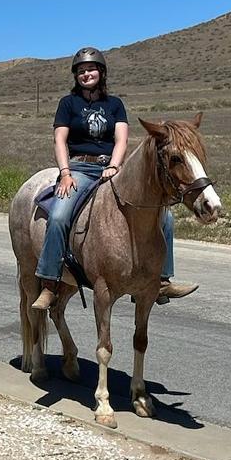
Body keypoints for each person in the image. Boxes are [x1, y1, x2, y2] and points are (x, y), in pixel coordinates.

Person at [31, 47, 197, 310]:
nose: (86, 74)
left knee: (165, 215)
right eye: (81, 71)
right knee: (60, 215)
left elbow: (121, 140)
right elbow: (60, 140)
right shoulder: (68, 104)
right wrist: (64, 173)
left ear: (102, 72)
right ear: (76, 76)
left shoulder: (114, 105)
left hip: (110, 169)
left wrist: (115, 165)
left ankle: (162, 280)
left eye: (91, 69)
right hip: (79, 169)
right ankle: (50, 282)